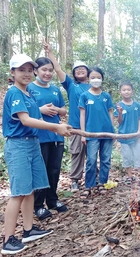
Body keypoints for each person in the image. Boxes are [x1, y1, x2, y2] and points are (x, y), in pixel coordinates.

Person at [1, 54, 72, 254]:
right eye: (20, 70)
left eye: (28, 70)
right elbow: (25, 120)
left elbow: (36, 115)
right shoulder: (14, 92)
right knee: (19, 193)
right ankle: (8, 240)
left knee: (31, 189)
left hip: (32, 143)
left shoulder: (27, 94)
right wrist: (55, 128)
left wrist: (62, 125)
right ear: (12, 72)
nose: (26, 74)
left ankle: (28, 229)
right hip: (18, 146)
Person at [44, 42, 89, 192]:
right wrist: (50, 53)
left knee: (93, 154)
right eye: (77, 69)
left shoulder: (94, 87)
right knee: (76, 153)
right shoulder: (71, 85)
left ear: (88, 73)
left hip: (92, 127)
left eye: (83, 69)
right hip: (75, 125)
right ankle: (75, 180)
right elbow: (57, 69)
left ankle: (91, 178)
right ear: (74, 73)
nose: (81, 71)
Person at [27, 57, 68, 221]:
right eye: (44, 70)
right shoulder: (29, 88)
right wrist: (40, 110)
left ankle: (52, 200)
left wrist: (57, 109)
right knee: (40, 171)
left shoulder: (56, 90)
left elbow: (64, 111)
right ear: (36, 71)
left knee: (54, 169)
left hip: (56, 135)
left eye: (50, 70)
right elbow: (24, 112)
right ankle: (38, 206)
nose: (48, 73)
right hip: (39, 136)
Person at [78, 67, 115, 197]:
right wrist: (83, 133)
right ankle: (89, 185)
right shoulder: (84, 96)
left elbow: (111, 112)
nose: (96, 80)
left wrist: (113, 131)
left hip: (107, 133)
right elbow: (82, 115)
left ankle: (102, 183)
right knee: (91, 160)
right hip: (91, 133)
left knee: (106, 159)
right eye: (93, 77)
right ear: (88, 79)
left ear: (102, 79)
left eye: (98, 77)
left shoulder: (106, 96)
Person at [115, 81, 140, 184]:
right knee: (127, 156)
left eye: (128, 90)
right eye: (124, 90)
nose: (126, 92)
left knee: (138, 154)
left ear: (132, 91)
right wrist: (120, 113)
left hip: (135, 136)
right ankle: (130, 176)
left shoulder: (137, 105)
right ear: (120, 92)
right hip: (124, 136)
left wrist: (139, 131)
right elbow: (119, 121)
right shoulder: (119, 105)